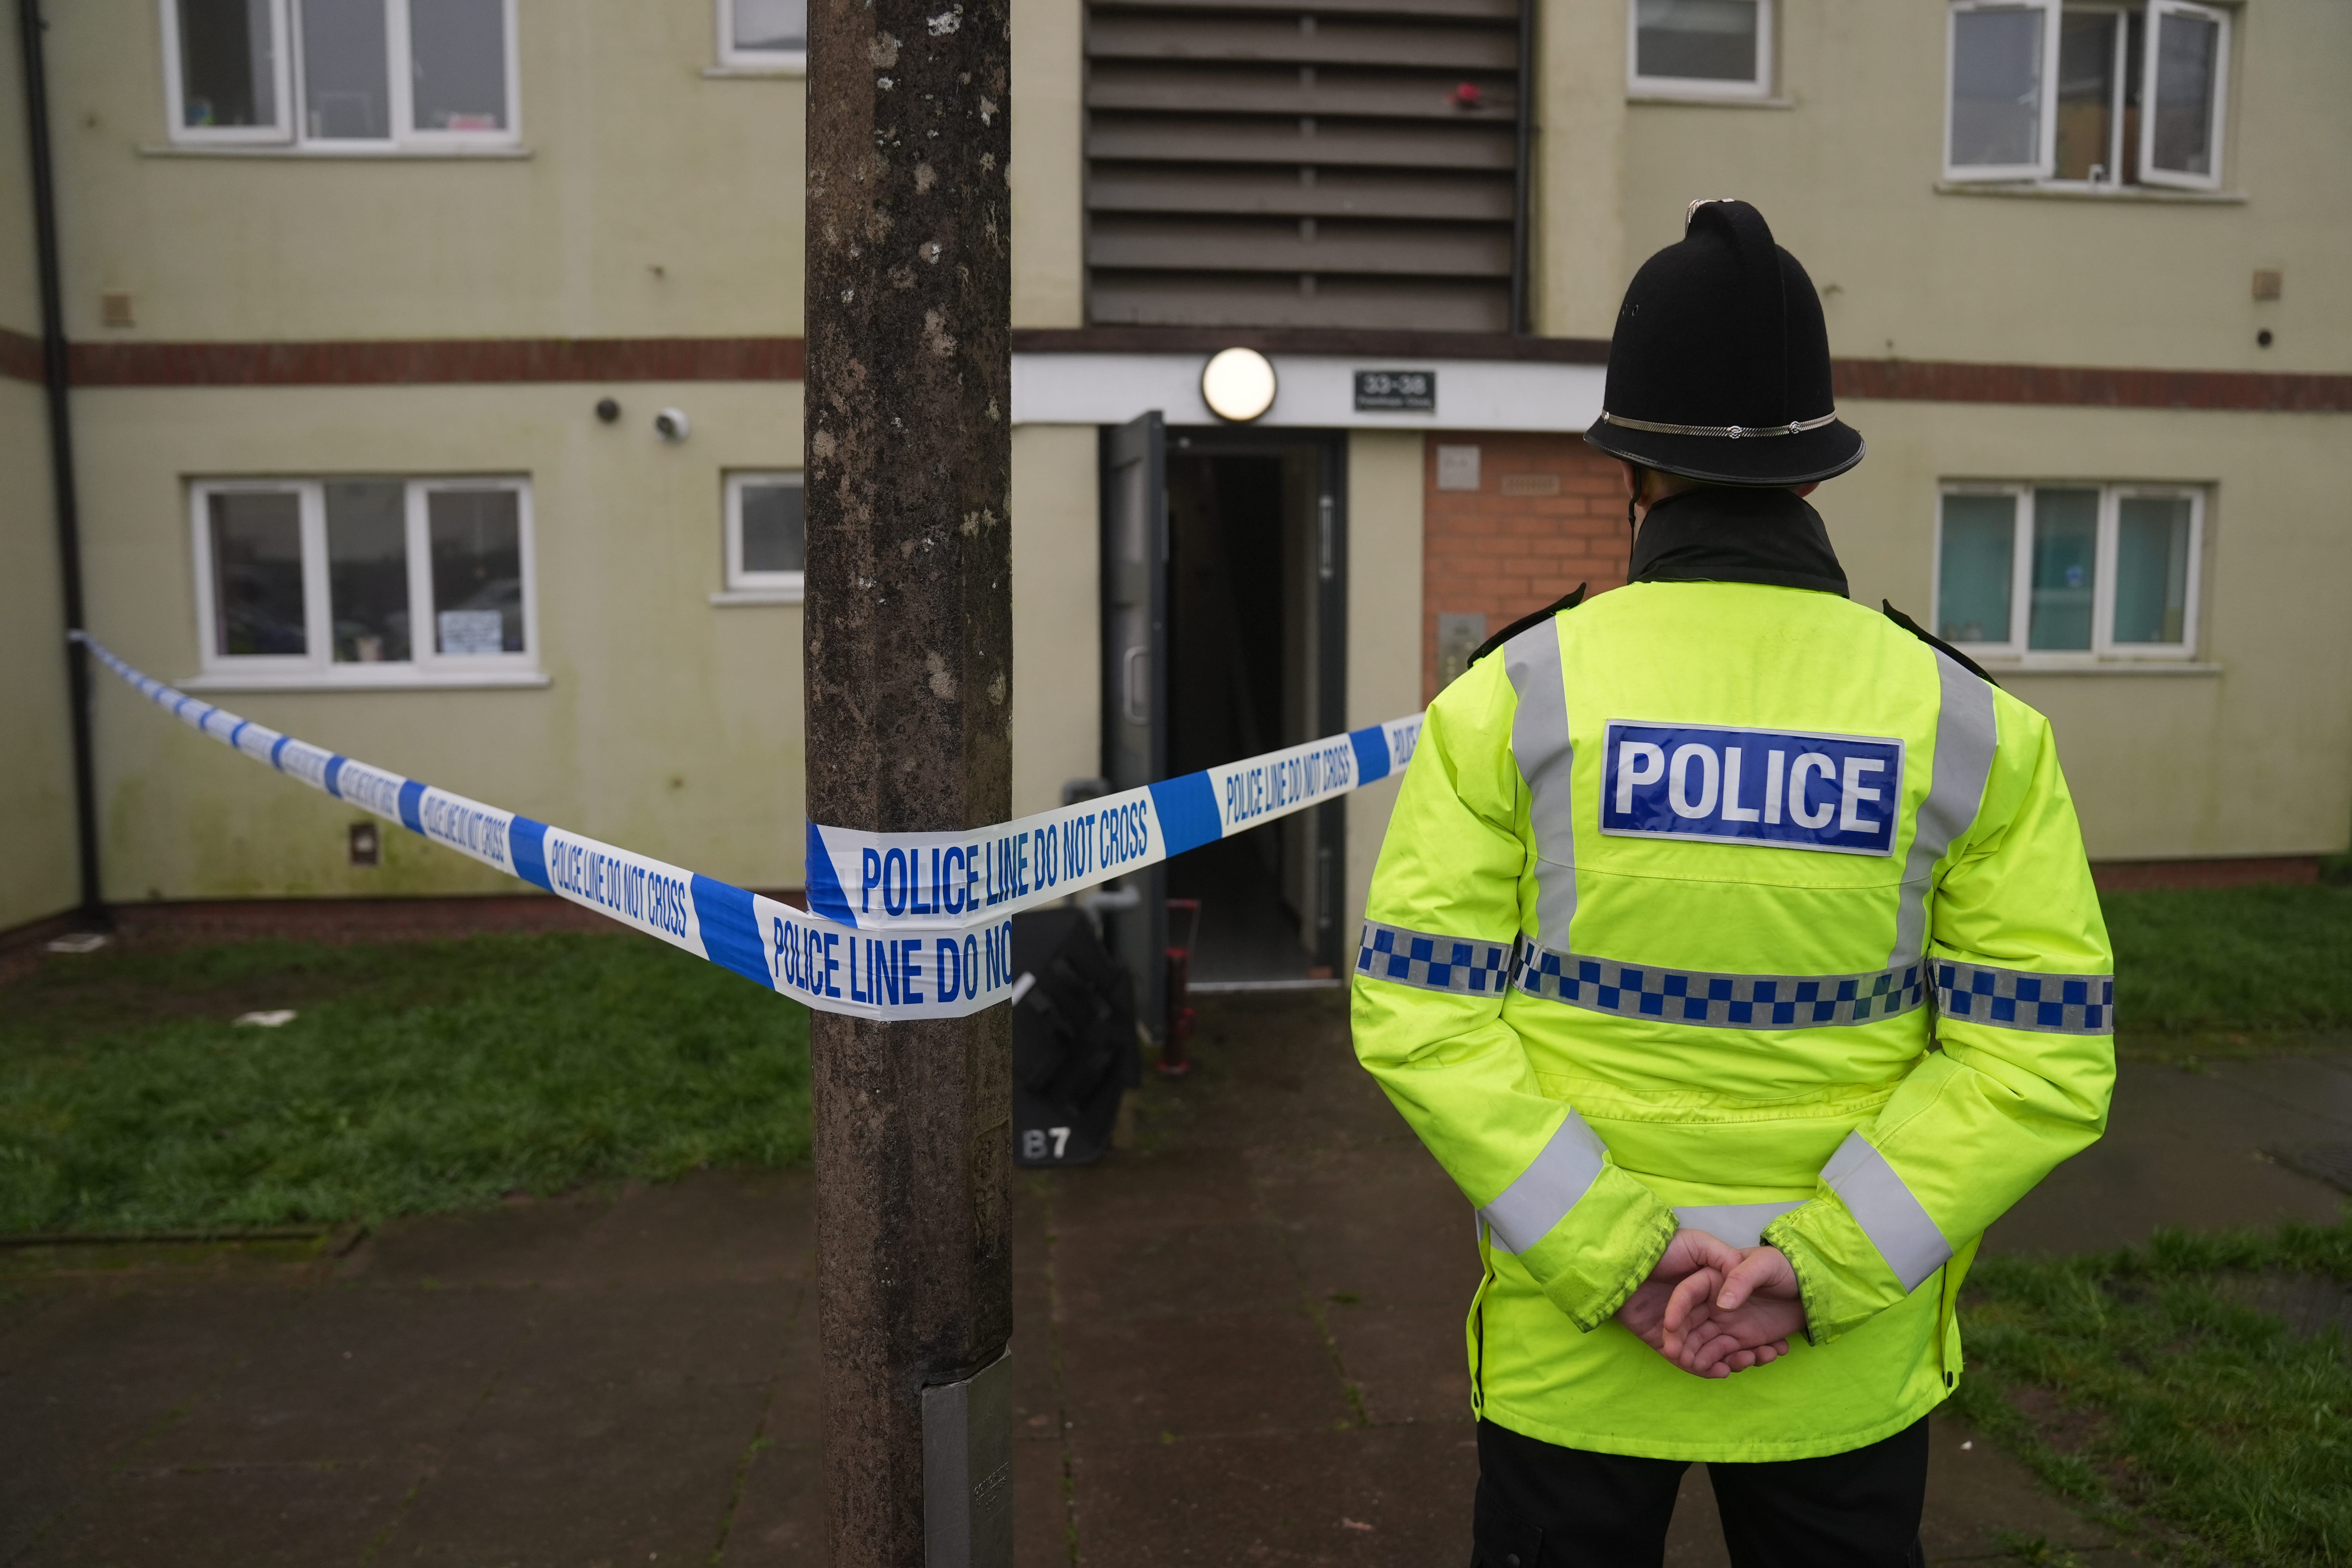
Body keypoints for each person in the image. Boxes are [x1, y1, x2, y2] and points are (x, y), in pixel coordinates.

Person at [1350, 200, 2116, 1567]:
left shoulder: (1511, 701)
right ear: (1817, 477)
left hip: (1578, 1347)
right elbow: (2040, 1060)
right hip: (1835, 1361)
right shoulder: (1972, 727)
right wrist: (1813, 1273)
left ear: (1630, 470)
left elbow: (1419, 1016)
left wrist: (1625, 1257)